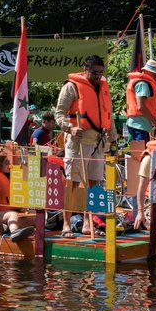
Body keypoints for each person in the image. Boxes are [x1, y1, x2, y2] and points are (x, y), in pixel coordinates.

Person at [55, 55, 118, 237]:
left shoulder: (104, 88)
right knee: (73, 183)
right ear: (86, 70)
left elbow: (108, 115)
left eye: (101, 73)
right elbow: (59, 113)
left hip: (98, 142)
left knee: (94, 184)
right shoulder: (71, 86)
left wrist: (113, 140)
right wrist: (70, 128)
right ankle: (66, 224)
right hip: (78, 142)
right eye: (94, 72)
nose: (98, 76)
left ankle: (88, 223)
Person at [125, 59, 156, 143]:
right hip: (139, 125)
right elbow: (141, 107)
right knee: (141, 149)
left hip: (136, 123)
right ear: (146, 71)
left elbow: (143, 102)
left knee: (137, 149)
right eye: (155, 74)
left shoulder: (140, 82)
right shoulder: (142, 84)